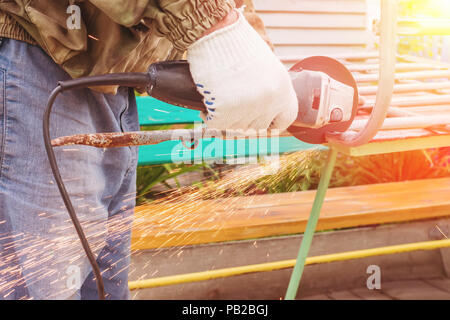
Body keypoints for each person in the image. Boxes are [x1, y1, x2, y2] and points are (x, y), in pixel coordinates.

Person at [0, 0, 298, 299]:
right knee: (47, 288)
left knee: (107, 286)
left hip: (113, 87)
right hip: (41, 62)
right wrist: (209, 22)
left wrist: (275, 85)